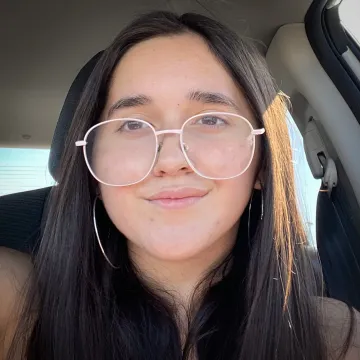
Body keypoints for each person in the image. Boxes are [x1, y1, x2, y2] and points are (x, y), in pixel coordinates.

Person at [0, 10, 359, 360]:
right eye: (133, 125)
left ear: (262, 164)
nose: (171, 160)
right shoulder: (19, 305)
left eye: (211, 119)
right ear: (92, 170)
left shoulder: (335, 337)